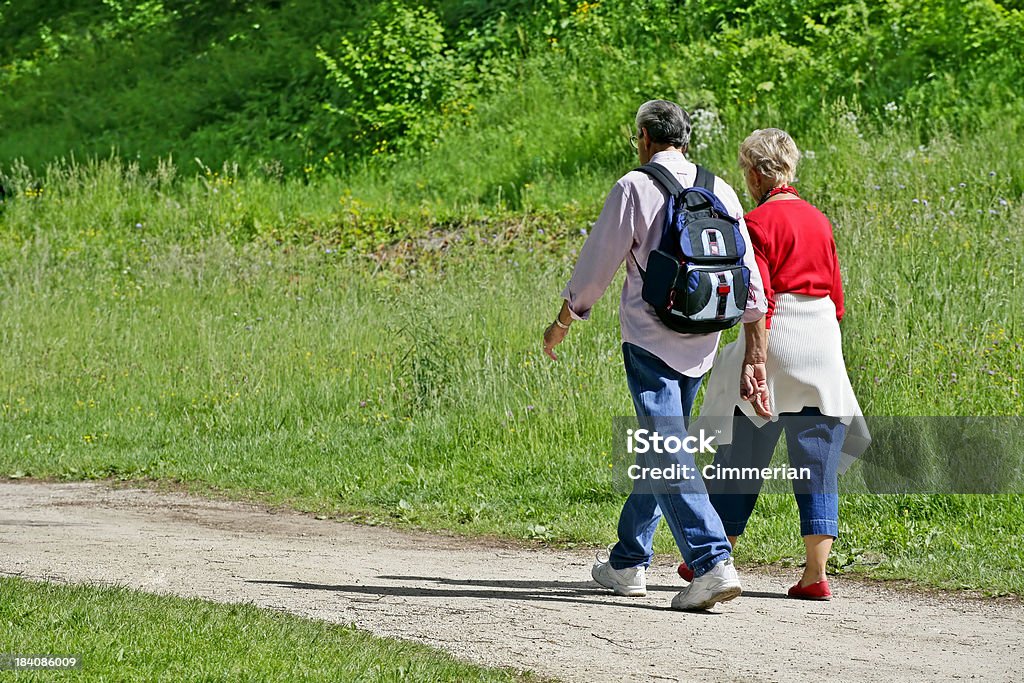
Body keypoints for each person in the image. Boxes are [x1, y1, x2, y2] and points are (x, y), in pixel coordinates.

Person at [542, 99, 770, 611]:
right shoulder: (721, 189)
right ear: (685, 139)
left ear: (645, 138)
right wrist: (754, 347)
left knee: (666, 447)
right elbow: (750, 275)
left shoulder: (635, 186)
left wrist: (563, 323)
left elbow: (595, 266)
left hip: (650, 338)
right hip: (705, 335)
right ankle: (628, 561)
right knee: (662, 444)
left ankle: (712, 562)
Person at [687, 128, 867, 600]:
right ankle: (815, 576)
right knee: (817, 461)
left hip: (780, 331)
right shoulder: (820, 220)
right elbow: (838, 299)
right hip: (822, 336)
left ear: (753, 171)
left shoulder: (756, 222)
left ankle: (715, 556)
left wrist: (755, 358)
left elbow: (758, 299)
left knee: (742, 449)